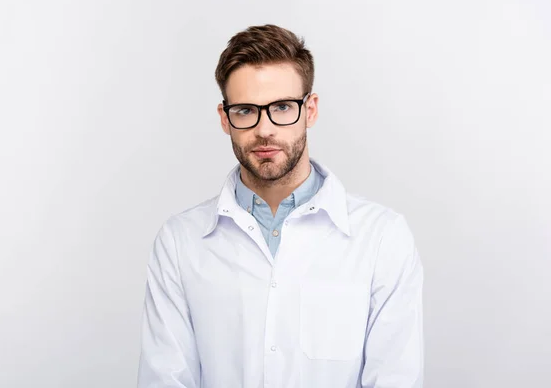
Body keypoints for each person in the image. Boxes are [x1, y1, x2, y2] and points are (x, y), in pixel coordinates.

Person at [137, 24, 424, 388]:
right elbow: (165, 380)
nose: (265, 129)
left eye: (283, 107)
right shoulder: (180, 243)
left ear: (310, 110)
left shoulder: (382, 238)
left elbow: (395, 378)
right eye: (245, 111)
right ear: (225, 119)